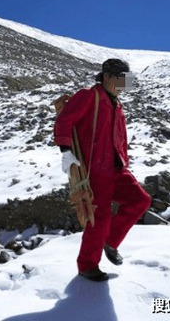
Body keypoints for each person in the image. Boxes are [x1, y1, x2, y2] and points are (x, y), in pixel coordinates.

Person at [54, 59, 151, 282]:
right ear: (106, 76)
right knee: (99, 217)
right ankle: (87, 265)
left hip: (116, 167)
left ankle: (110, 242)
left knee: (140, 200)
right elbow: (65, 120)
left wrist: (123, 160)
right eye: (120, 79)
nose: (123, 85)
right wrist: (65, 150)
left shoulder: (117, 104)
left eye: (126, 81)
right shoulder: (89, 95)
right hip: (94, 170)